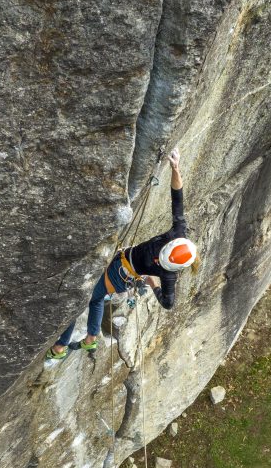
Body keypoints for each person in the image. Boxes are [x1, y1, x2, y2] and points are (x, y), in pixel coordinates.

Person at [45, 148, 197, 361]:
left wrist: (152, 282)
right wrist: (175, 168)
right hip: (121, 264)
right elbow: (177, 198)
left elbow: (169, 303)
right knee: (96, 300)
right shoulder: (178, 232)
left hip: (120, 276)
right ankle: (90, 339)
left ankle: (60, 347)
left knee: (81, 297)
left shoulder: (169, 276)